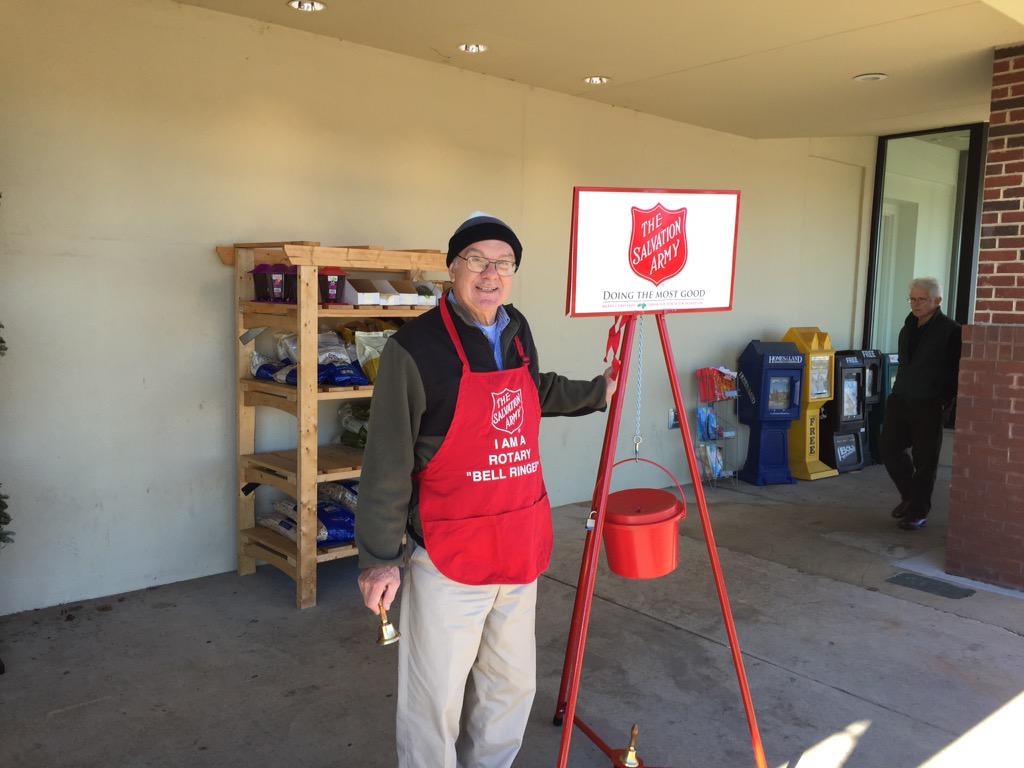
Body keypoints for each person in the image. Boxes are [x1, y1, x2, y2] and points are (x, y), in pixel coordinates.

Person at [355, 213, 616, 768]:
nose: (490, 273)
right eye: (477, 260)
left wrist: (598, 391)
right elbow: (386, 461)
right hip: (449, 552)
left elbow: (530, 391)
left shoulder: (516, 331)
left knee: (511, 687)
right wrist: (379, 559)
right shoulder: (414, 348)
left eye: (503, 263)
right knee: (434, 700)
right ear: (452, 269)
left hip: (518, 542)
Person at [882, 277, 961, 531]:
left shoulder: (951, 330)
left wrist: (944, 402)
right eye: (913, 299)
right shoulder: (908, 328)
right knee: (888, 450)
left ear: (937, 301)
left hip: (929, 403)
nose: (916, 304)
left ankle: (917, 512)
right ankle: (910, 496)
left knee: (924, 461)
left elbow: (955, 370)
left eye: (922, 299)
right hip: (901, 399)